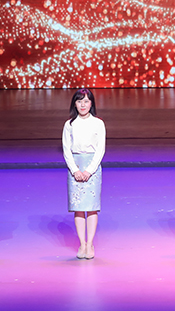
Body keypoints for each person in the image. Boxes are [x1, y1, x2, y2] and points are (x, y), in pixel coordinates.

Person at [62, 88, 106, 260]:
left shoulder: (98, 123)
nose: (83, 105)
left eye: (86, 101)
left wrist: (89, 170)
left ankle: (90, 244)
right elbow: (66, 149)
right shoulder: (69, 124)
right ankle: (82, 243)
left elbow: (100, 149)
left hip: (92, 168)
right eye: (79, 101)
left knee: (92, 207)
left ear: (91, 103)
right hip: (75, 166)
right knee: (79, 208)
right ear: (75, 104)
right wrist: (75, 170)